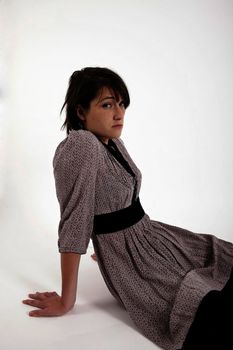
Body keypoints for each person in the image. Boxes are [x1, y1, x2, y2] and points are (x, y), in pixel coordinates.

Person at [22, 67, 233, 350]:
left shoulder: (111, 142)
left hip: (150, 236)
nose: (118, 113)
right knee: (204, 306)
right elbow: (75, 221)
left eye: (121, 104)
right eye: (107, 104)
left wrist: (109, 243)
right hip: (137, 263)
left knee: (217, 257)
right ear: (81, 112)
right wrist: (66, 300)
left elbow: (111, 202)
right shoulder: (82, 144)